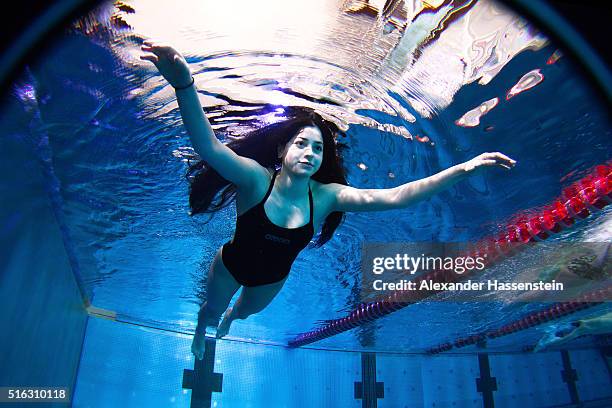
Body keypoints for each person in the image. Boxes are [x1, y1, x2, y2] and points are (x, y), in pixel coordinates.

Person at [139, 40, 516, 360]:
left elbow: (398, 197)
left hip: (270, 281)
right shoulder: (256, 180)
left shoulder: (327, 197)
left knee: (239, 315)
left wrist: (464, 170)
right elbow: (209, 146)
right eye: (301, 143)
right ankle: (202, 331)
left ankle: (228, 322)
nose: (309, 153)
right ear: (284, 148)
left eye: (317, 148)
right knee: (209, 311)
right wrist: (184, 85)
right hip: (231, 265)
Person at [533, 311, 612, 352]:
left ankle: (544, 344)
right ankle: (544, 343)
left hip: (594, 323)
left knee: (579, 329)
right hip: (595, 323)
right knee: (577, 329)